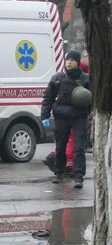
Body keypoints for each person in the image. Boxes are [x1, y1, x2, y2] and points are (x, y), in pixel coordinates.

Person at [41, 50, 90, 188]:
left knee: (79, 148)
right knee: (60, 146)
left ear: (77, 62)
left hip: (79, 117)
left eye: (72, 60)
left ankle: (78, 176)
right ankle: (58, 173)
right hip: (61, 116)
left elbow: (93, 98)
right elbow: (48, 98)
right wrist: (45, 115)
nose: (68, 62)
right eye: (67, 60)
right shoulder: (58, 78)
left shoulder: (85, 79)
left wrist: (90, 112)